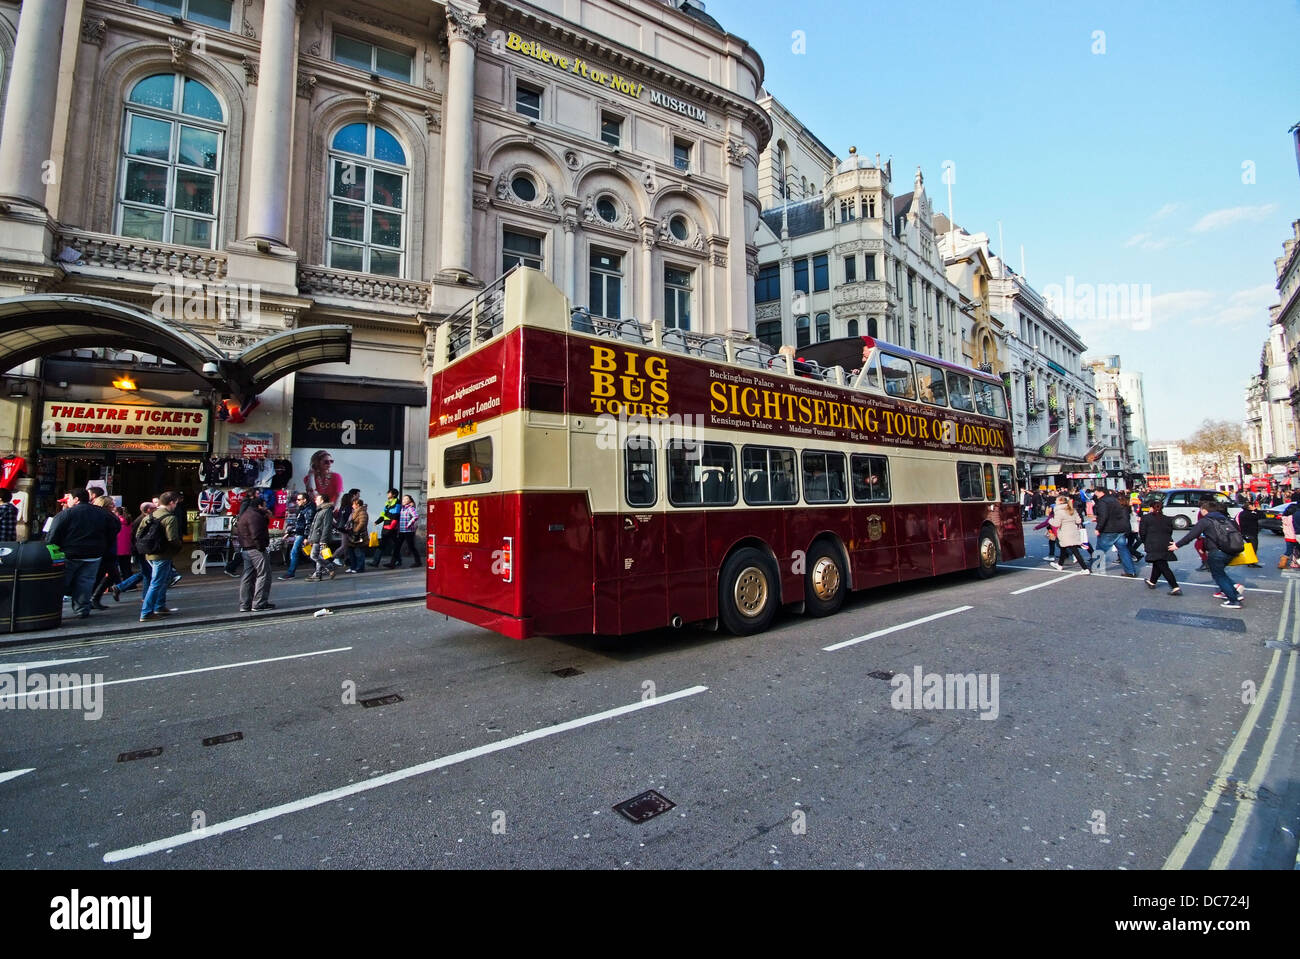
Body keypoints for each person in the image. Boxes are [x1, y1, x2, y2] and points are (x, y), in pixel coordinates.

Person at [46, 488, 118, 619]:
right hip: (94, 555)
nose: (67, 501)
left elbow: (53, 534)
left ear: (76, 499)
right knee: (85, 583)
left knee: (61, 583)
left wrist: (53, 548)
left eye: (68, 498)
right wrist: (104, 544)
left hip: (70, 554)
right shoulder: (102, 513)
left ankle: (52, 610)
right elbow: (115, 526)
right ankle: (82, 609)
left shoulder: (66, 514)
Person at [1174, 498, 1245, 609]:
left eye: (1201, 509)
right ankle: (1234, 592)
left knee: (1218, 575)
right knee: (1221, 573)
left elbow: (1191, 535)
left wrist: (1177, 545)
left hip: (1217, 551)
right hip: (1232, 550)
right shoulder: (1226, 519)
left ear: (1205, 510)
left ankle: (1233, 600)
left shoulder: (1206, 521)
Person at [140, 491, 184, 622]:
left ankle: (160, 606)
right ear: (171, 502)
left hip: (150, 553)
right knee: (156, 583)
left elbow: (139, 533)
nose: (176, 505)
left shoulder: (149, 516)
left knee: (162, 581)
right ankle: (146, 612)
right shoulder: (170, 518)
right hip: (163, 554)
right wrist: (179, 547)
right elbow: (172, 538)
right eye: (176, 503)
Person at [235, 495, 274, 612]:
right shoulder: (255, 516)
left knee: (248, 577)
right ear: (259, 506)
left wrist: (266, 516)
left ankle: (245, 605)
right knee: (264, 575)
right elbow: (256, 534)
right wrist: (261, 547)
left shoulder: (246, 514)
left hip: (246, 549)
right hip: (256, 550)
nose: (266, 507)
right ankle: (259, 603)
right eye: (265, 505)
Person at [1091, 486, 1139, 577]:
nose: (1095, 494)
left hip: (1109, 529)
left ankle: (1094, 567)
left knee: (1100, 549)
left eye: (1096, 492)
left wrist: (1098, 528)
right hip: (1121, 528)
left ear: (1101, 492)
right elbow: (1125, 514)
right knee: (1123, 549)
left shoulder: (1102, 502)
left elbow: (1103, 516)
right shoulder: (1116, 500)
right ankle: (1130, 571)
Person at [1139, 499, 1180, 595]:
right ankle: (1152, 581)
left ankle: (1175, 586)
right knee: (1158, 562)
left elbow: (1142, 532)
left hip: (1153, 543)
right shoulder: (1167, 518)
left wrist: (1145, 542)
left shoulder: (1146, 518)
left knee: (1162, 565)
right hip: (1166, 542)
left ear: (1152, 508)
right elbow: (1170, 531)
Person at [118, 503, 155, 593]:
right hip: (140, 549)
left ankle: (121, 587)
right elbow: (135, 536)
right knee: (146, 572)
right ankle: (120, 587)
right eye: (154, 508)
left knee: (146, 572)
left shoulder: (139, 520)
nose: (156, 509)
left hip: (136, 549)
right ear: (149, 510)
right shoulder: (141, 520)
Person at [1049, 495, 1090, 572]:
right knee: (1063, 549)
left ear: (1060, 502)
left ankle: (1085, 568)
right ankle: (1060, 565)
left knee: (1074, 551)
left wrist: (1050, 520)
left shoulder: (1059, 511)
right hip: (1073, 531)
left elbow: (1056, 524)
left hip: (1064, 532)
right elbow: (1078, 521)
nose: (1055, 501)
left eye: (1056, 500)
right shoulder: (1072, 509)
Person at [279, 492, 314, 580]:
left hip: (302, 534)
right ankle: (325, 566)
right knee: (311, 552)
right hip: (300, 534)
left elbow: (308, 524)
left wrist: (306, 537)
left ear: (304, 500)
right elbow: (299, 523)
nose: (297, 501)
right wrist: (289, 532)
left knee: (295, 552)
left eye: (299, 499)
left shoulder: (309, 509)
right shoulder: (303, 508)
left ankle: (291, 573)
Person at [306, 492, 337, 582]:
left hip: (320, 537)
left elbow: (327, 525)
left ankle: (330, 567)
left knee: (314, 555)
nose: (315, 500)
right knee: (318, 556)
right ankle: (318, 574)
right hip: (316, 537)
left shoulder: (327, 510)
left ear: (322, 500)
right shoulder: (320, 510)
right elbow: (314, 526)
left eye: (317, 499)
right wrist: (310, 537)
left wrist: (323, 540)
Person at [374, 489, 400, 568]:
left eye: (389, 493)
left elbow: (396, 515)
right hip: (386, 525)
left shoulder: (397, 503)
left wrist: (391, 526)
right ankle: (397, 560)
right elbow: (383, 514)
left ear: (394, 494)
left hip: (391, 526)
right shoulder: (387, 503)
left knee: (384, 544)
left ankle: (376, 562)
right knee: (393, 544)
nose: (387, 494)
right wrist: (377, 521)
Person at [393, 494, 421, 568]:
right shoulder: (402, 509)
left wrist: (409, 524)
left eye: (406, 499)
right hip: (402, 531)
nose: (404, 500)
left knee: (411, 547)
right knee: (397, 547)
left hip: (408, 532)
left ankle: (418, 562)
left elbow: (416, 516)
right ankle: (392, 563)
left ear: (409, 501)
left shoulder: (410, 508)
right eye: (403, 499)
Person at [1237, 500, 1263, 567]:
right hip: (1251, 533)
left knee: (1249, 547)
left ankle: (1249, 561)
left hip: (1244, 533)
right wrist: (1256, 510)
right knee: (1253, 547)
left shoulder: (1241, 513)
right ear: (1250, 506)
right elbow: (1262, 516)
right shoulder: (1250, 514)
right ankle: (1251, 562)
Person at [347, 498, 370, 573]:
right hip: (352, 535)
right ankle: (353, 567)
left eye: (354, 504)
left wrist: (356, 530)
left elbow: (362, 523)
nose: (352, 505)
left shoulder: (362, 512)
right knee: (351, 551)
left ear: (358, 505)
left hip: (359, 535)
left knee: (359, 552)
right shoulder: (354, 512)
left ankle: (360, 568)